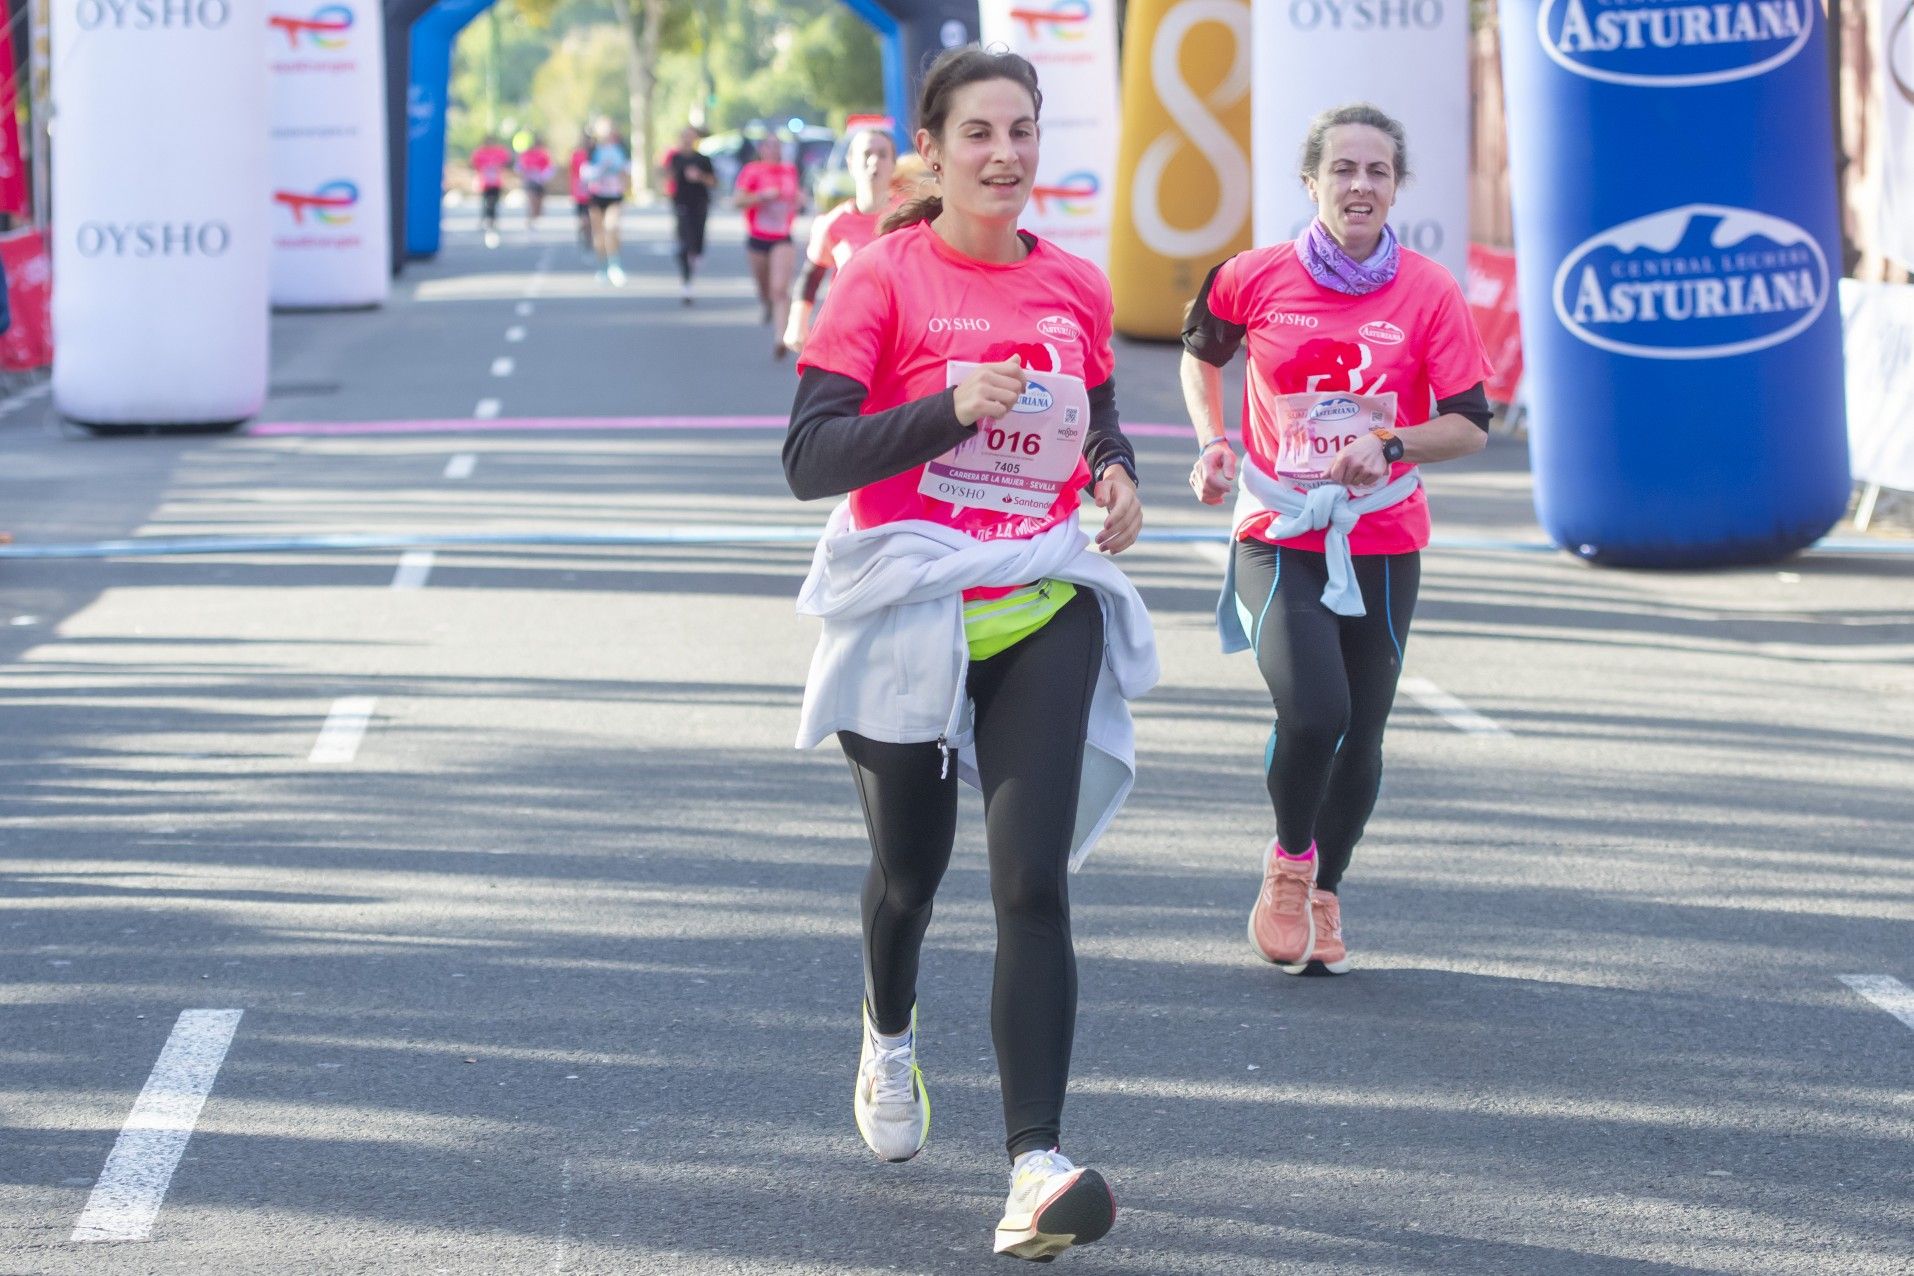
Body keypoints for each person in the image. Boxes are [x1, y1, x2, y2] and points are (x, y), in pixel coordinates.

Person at [783, 46, 1154, 1263]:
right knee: (910, 877)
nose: (1006, 156)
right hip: (905, 598)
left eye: (1023, 132)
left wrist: (1116, 474)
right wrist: (949, 407)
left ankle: (1033, 1166)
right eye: (979, 134)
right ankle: (888, 1027)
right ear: (930, 152)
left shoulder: (1076, 286)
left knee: (1030, 882)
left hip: (1042, 591)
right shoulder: (879, 280)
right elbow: (810, 458)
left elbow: (1097, 409)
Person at [1181, 102, 1494, 976]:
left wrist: (1391, 444)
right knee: (1318, 711)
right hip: (1279, 526)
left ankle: (1327, 889)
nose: (1361, 186)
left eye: (1378, 172)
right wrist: (1214, 439)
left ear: (1396, 188)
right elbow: (1199, 349)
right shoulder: (1254, 275)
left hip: (1383, 537)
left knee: (1365, 733)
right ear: (1311, 181)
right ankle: (1289, 863)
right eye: (1344, 170)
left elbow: (1471, 424)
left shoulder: (1429, 292)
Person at [783, 126, 897, 355]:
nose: (874, 161)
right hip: (849, 331)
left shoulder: (913, 218)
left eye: (883, 154)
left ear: (893, 164)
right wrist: (797, 322)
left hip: (901, 330)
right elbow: (811, 275)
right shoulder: (833, 222)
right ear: (851, 162)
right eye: (866, 154)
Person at [733, 134, 801, 356]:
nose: (775, 150)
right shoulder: (752, 171)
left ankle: (781, 337)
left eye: (778, 146)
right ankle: (767, 304)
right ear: (762, 149)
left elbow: (797, 198)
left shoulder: (789, 171)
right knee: (765, 289)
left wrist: (801, 200)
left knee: (779, 289)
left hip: (782, 237)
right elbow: (737, 201)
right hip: (758, 238)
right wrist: (761, 197)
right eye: (770, 146)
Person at [662, 125, 717, 305]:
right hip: (681, 203)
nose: (687, 140)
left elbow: (713, 181)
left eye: (690, 137)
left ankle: (696, 254)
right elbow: (667, 176)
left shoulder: (703, 159)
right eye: (684, 136)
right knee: (684, 243)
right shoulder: (675, 158)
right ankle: (687, 282)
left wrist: (699, 177)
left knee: (698, 240)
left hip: (700, 203)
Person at [583, 118, 632, 285]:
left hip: (614, 195)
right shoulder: (592, 150)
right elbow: (585, 173)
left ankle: (615, 266)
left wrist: (625, 182)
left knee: (612, 228)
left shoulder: (620, 149)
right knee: (599, 235)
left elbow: (627, 169)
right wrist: (601, 169)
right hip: (597, 195)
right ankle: (602, 267)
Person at [470, 135, 513, 248]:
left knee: (494, 202)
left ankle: (493, 220)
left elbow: (507, 162)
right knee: (485, 201)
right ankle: (485, 219)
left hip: (496, 182)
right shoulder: (480, 152)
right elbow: (473, 164)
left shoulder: (500, 152)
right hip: (484, 182)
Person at [516, 135, 554, 229]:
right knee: (531, 199)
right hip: (529, 181)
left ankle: (536, 216)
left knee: (539, 200)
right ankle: (531, 218)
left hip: (540, 181)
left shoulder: (544, 154)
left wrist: (544, 176)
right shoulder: (526, 154)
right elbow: (519, 167)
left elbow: (550, 167)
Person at [568, 131, 594, 256]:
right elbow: (572, 173)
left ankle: (589, 239)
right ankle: (583, 233)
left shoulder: (594, 154)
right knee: (584, 219)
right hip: (580, 193)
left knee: (591, 219)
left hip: (593, 192)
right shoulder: (576, 155)